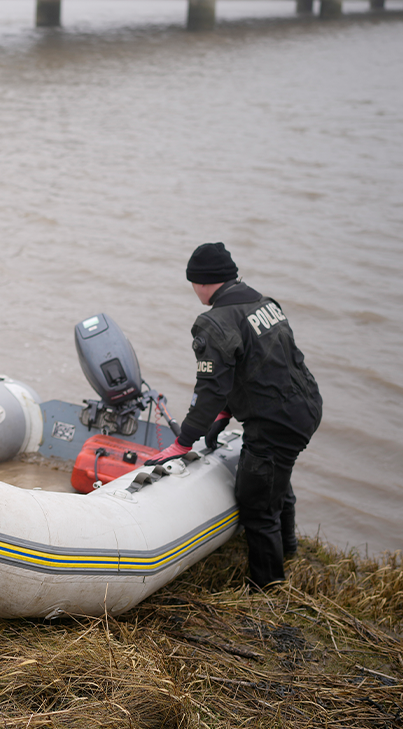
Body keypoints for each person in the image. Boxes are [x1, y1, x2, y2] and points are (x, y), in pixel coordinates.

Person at [146, 242, 323, 591]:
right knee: (275, 478)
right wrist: (225, 413)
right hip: (305, 405)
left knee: (257, 502)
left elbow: (209, 388)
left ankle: (267, 589)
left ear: (201, 282)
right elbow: (261, 365)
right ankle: (288, 550)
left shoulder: (213, 323)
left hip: (275, 421)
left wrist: (183, 442)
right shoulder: (263, 304)